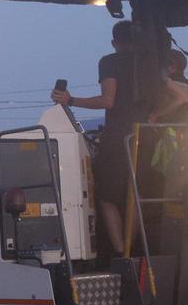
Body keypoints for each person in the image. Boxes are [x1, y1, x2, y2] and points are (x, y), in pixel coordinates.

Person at [51, 20, 138, 257]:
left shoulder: (110, 62)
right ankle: (141, 244)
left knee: (107, 198)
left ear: (114, 42)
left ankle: (121, 252)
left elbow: (108, 100)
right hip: (149, 137)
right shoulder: (151, 63)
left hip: (120, 138)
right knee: (138, 195)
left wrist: (70, 100)